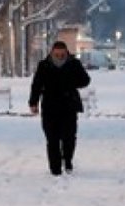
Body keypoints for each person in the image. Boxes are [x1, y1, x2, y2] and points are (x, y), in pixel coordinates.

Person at [28, 41, 92, 176]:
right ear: (52, 53)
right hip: (50, 107)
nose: (59, 57)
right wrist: (33, 102)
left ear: (66, 52)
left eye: (62, 54)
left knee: (69, 137)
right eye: (57, 54)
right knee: (52, 138)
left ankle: (67, 159)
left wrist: (72, 81)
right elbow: (36, 85)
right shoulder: (44, 65)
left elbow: (85, 80)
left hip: (69, 105)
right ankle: (55, 168)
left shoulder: (74, 64)